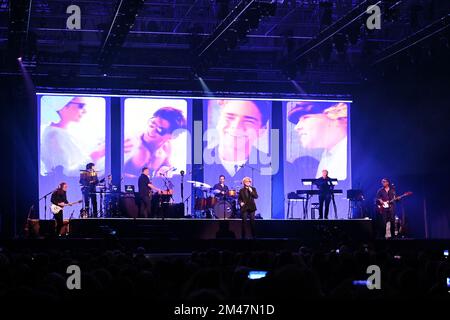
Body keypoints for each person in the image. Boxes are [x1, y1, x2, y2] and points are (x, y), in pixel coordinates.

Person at [41, 97, 105, 177]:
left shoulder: (63, 132)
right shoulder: (54, 136)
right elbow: (64, 175)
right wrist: (95, 155)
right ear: (62, 107)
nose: (85, 111)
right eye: (81, 106)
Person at [288, 101, 348, 180]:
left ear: (334, 115)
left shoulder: (349, 153)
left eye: (305, 118)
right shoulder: (328, 154)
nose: (297, 127)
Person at [124, 107, 187, 178]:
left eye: (160, 130)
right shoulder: (128, 143)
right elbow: (113, 173)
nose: (151, 131)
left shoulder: (166, 147)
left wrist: (165, 169)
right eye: (152, 124)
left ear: (172, 136)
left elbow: (167, 165)